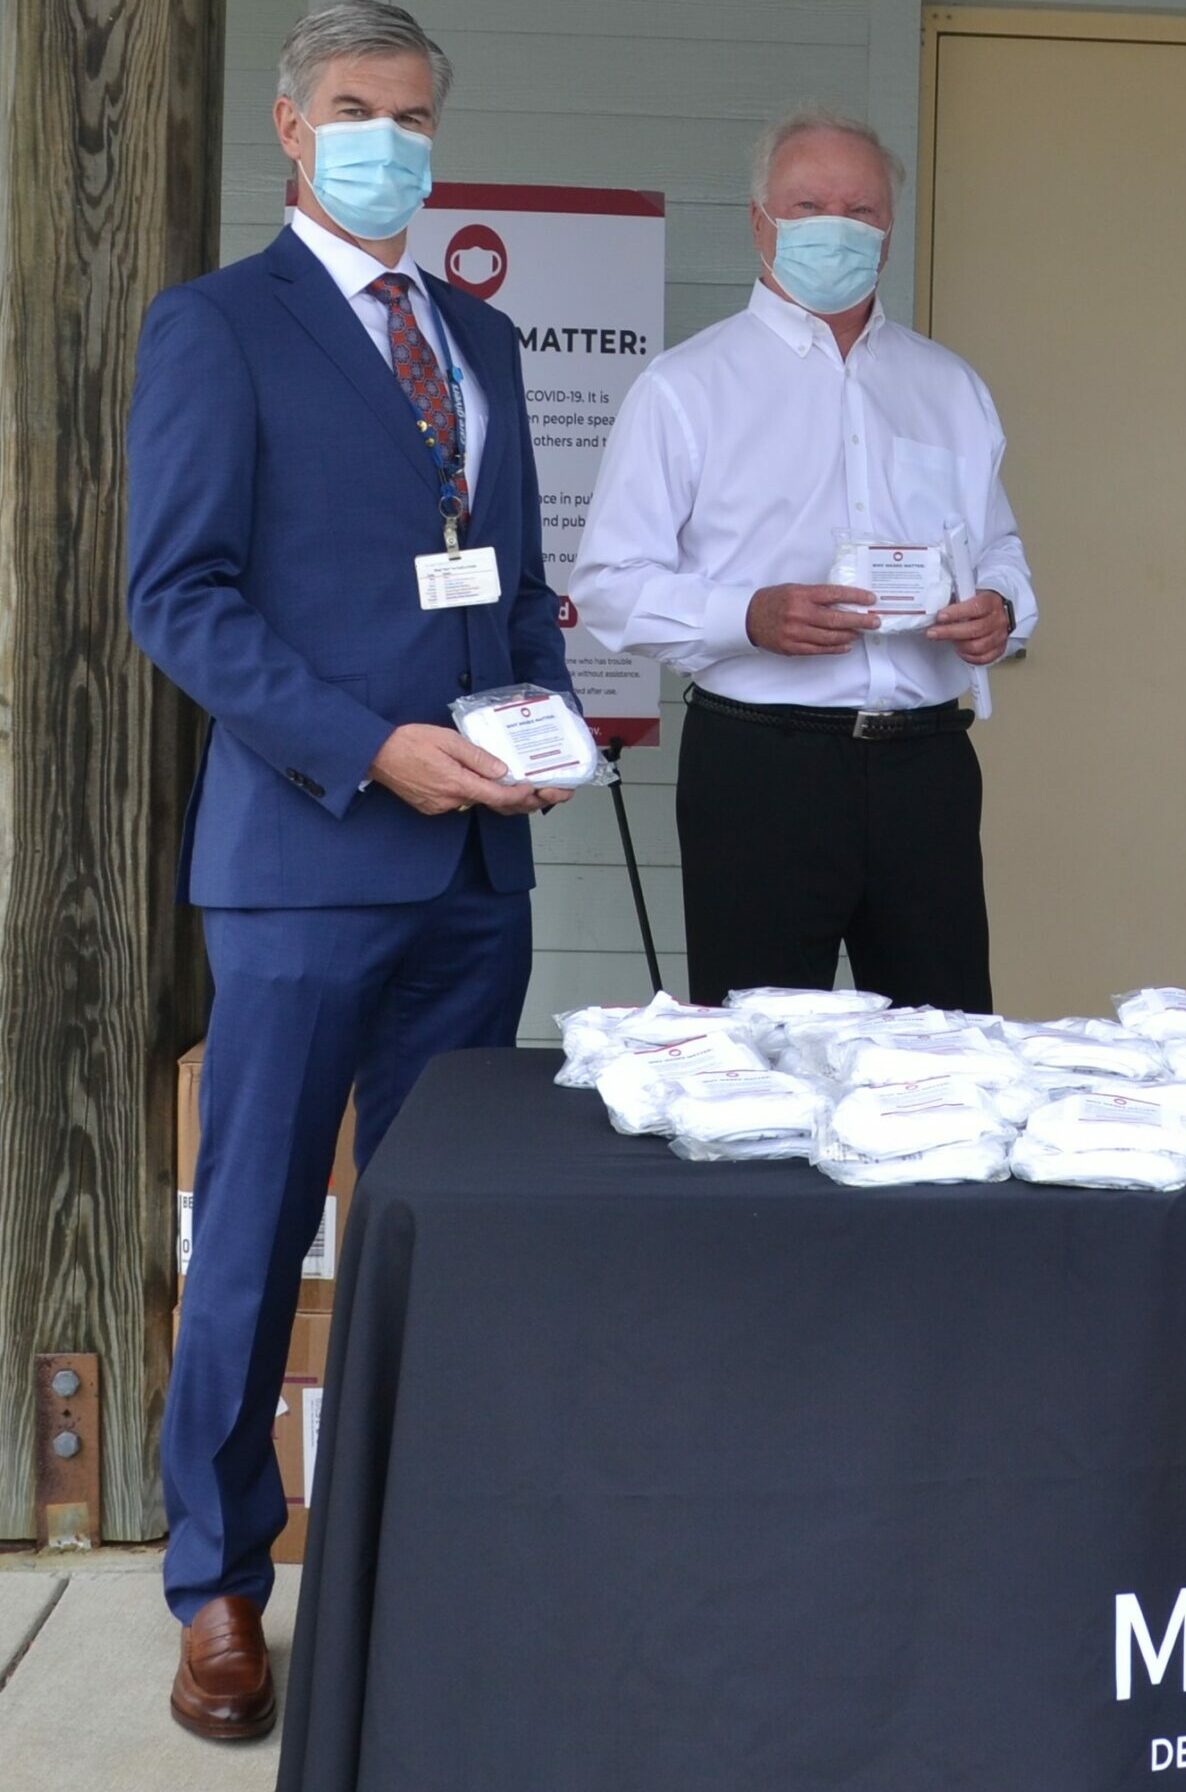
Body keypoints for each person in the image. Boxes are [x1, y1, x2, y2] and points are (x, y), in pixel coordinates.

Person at [126, 2, 580, 1740]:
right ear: (290, 127)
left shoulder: (483, 337)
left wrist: (535, 723)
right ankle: (220, 1584)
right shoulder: (217, 328)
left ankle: (408, 1558)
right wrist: (368, 746)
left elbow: (513, 578)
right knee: (251, 1234)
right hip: (310, 860)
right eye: (354, 109)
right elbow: (181, 598)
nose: (386, 135)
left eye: (412, 113)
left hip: (474, 874)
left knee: (435, 1234)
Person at [574, 108, 1033, 1012]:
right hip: (761, 768)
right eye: (809, 204)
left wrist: (1005, 609)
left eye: (860, 210)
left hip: (927, 768)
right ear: (760, 222)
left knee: (944, 1057)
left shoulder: (949, 386)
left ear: (889, 234)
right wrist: (745, 616)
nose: (837, 226)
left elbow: (1001, 548)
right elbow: (607, 587)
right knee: (757, 1063)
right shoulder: (686, 388)